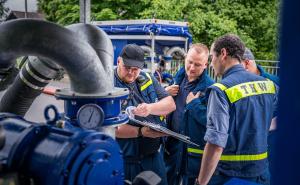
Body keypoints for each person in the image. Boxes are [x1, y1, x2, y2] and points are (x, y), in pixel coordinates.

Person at [196, 34, 278, 185]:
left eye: (212, 57)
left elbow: (215, 144)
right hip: (262, 174)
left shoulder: (220, 90)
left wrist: (200, 182)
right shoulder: (268, 85)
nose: (211, 63)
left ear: (223, 54)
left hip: (229, 176)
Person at [114, 44, 176, 185]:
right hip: (125, 160)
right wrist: (141, 131)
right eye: (127, 67)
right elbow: (110, 128)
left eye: (135, 69)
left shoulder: (146, 78)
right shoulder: (107, 85)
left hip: (153, 157)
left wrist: (150, 108)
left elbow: (170, 104)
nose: (131, 72)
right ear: (118, 61)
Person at [164, 43, 214, 185]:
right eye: (190, 62)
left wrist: (194, 104)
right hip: (171, 142)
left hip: (191, 149)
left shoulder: (209, 89)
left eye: (197, 65)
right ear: (185, 58)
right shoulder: (178, 78)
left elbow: (210, 121)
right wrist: (164, 93)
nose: (191, 68)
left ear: (206, 65)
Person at [241, 48, 279, 181]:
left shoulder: (275, 82)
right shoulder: (242, 83)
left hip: (272, 146)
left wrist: (269, 125)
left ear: (247, 63)